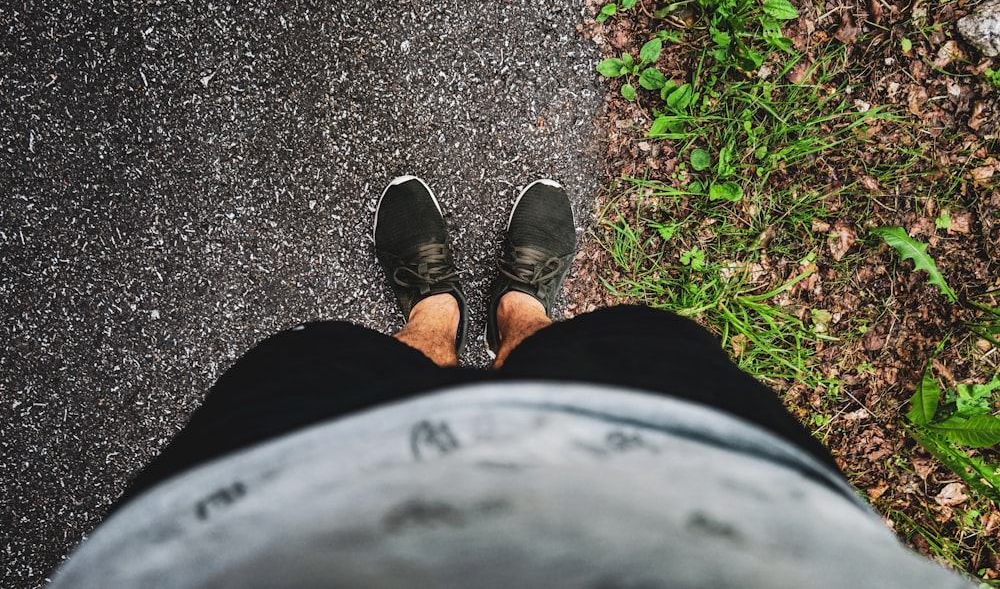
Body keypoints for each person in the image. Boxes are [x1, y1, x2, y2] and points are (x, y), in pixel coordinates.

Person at [51, 177, 973, 587]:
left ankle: (435, 323)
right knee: (628, 356)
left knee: (323, 374)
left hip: (254, 523)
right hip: (745, 517)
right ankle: (517, 313)